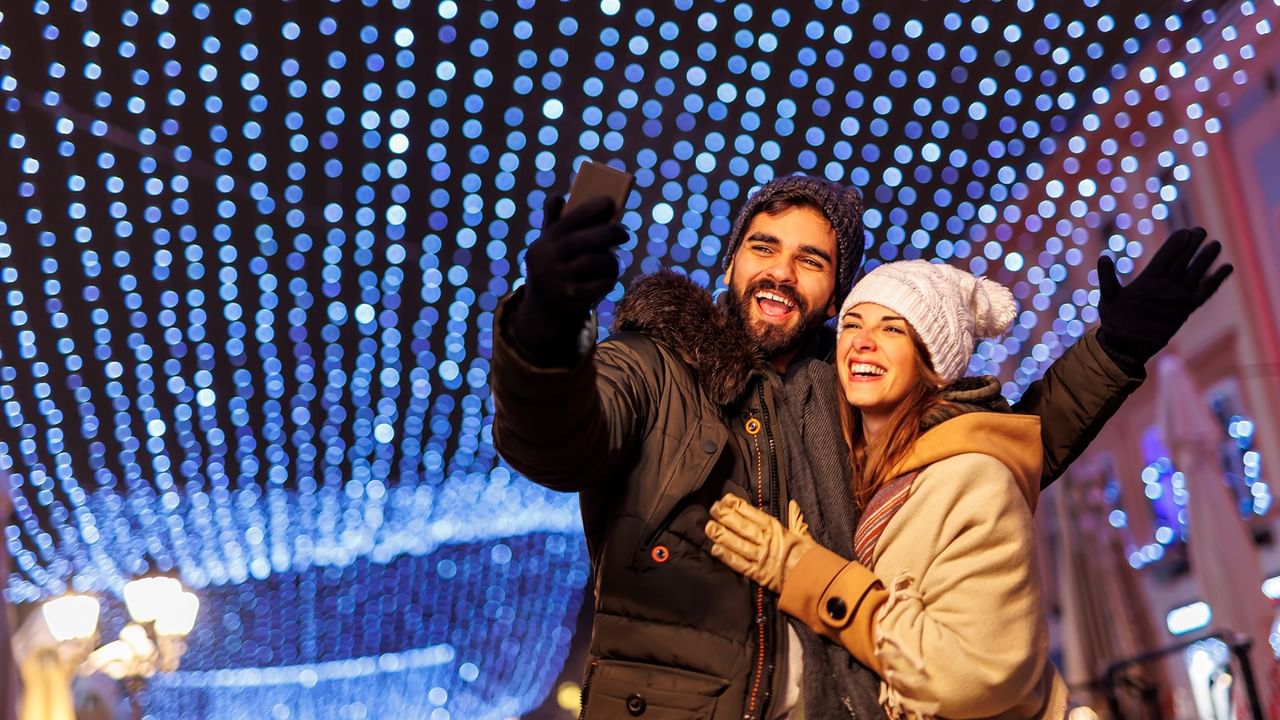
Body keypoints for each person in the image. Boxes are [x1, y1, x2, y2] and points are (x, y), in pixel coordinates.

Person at [490, 172, 1231, 718]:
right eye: (763, 247)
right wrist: (545, 324)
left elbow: (989, 442)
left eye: (811, 260)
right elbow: (555, 442)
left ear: (833, 289)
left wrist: (1116, 349)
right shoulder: (652, 366)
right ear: (732, 264)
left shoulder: (845, 396)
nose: (781, 270)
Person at [707, 259, 1067, 718]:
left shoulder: (972, 478)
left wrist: (804, 571)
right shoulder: (849, 473)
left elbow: (972, 676)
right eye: (852, 324)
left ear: (930, 361)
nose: (861, 341)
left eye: (892, 330)